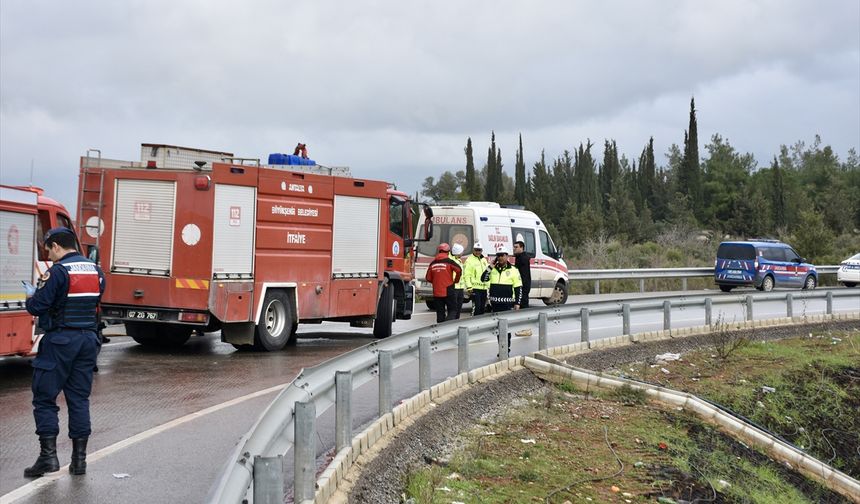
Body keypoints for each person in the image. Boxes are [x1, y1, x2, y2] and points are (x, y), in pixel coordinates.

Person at [23, 227, 105, 478]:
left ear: (56, 246)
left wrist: (31, 295)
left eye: (49, 250)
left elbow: (37, 306)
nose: (49, 255)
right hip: (88, 340)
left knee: (44, 398)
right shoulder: (96, 271)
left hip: (60, 341)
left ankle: (48, 457)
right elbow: (95, 301)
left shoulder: (58, 272)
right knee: (79, 399)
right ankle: (79, 462)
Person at [481, 249, 523, 356]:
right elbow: (483, 279)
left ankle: (506, 349)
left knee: (506, 329)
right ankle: (501, 349)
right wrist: (490, 266)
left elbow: (518, 288)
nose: (500, 258)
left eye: (502, 255)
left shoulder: (513, 270)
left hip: (507, 304)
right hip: (495, 304)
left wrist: (517, 303)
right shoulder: (493, 269)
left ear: (507, 256)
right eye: (498, 256)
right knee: (498, 329)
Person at [424, 243, 462, 323]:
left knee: (440, 313)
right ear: (448, 252)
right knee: (453, 310)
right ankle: (447, 325)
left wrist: (436, 282)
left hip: (437, 292)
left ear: (439, 251)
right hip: (449, 290)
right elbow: (459, 270)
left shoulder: (433, 263)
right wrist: (456, 280)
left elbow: (428, 278)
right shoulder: (449, 262)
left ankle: (441, 328)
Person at [462, 242, 489, 316]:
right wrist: (469, 287)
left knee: (482, 309)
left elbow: (487, 273)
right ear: (473, 250)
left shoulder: (483, 260)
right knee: (476, 309)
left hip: (484, 288)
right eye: (476, 250)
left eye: (479, 250)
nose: (477, 252)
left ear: (482, 250)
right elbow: (467, 275)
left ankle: (480, 322)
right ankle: (474, 322)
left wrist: (489, 285)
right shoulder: (469, 260)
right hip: (475, 288)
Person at [513, 240, 532, 309]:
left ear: (521, 248)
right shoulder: (519, 257)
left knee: (523, 305)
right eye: (514, 247)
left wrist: (520, 286)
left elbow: (524, 275)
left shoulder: (523, 258)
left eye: (516, 247)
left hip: (523, 286)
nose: (514, 249)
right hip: (522, 285)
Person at [449, 243, 466, 319]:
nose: (463, 253)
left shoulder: (458, 260)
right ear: (458, 252)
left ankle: (456, 321)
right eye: (462, 251)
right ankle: (452, 322)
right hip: (454, 288)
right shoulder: (451, 261)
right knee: (454, 308)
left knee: (458, 308)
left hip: (460, 288)